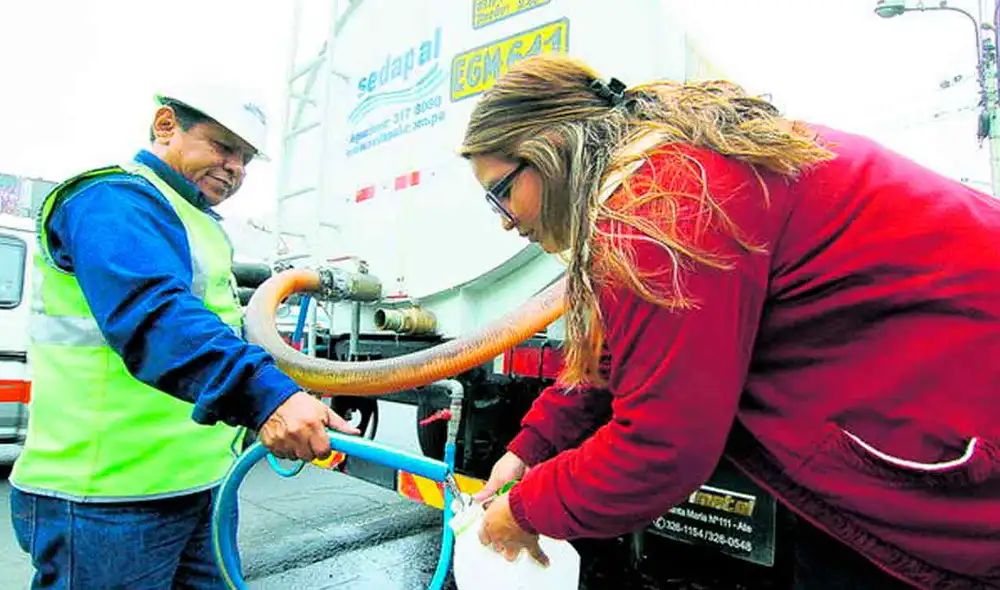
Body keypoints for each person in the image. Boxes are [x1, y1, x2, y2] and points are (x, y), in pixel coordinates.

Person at [459, 54, 1000, 589]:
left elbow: (660, 448)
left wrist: (524, 512)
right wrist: (529, 449)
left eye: (501, 193)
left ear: (548, 151)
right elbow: (612, 351)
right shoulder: (670, 172)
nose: (506, 223)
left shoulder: (665, 207)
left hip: (966, 405)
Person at [9, 84, 359, 589]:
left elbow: (216, 328)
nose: (235, 167)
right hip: (104, 499)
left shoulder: (194, 218)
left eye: (245, 158)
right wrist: (267, 398)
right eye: (222, 146)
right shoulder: (111, 200)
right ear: (166, 125)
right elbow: (156, 319)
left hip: (200, 485)